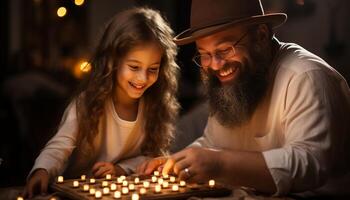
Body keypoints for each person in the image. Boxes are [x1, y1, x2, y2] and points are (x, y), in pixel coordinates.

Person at [137, 0, 350, 197]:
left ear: (261, 35)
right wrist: (178, 162)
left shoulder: (306, 75)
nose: (216, 65)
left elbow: (310, 164)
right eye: (205, 54)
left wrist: (220, 164)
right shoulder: (235, 80)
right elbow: (215, 144)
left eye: (225, 49)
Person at [23, 7, 179, 198]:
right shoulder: (86, 103)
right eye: (134, 67)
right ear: (112, 61)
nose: (143, 78)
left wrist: (120, 169)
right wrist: (42, 170)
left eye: (153, 69)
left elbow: (151, 158)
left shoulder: (154, 106)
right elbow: (60, 145)